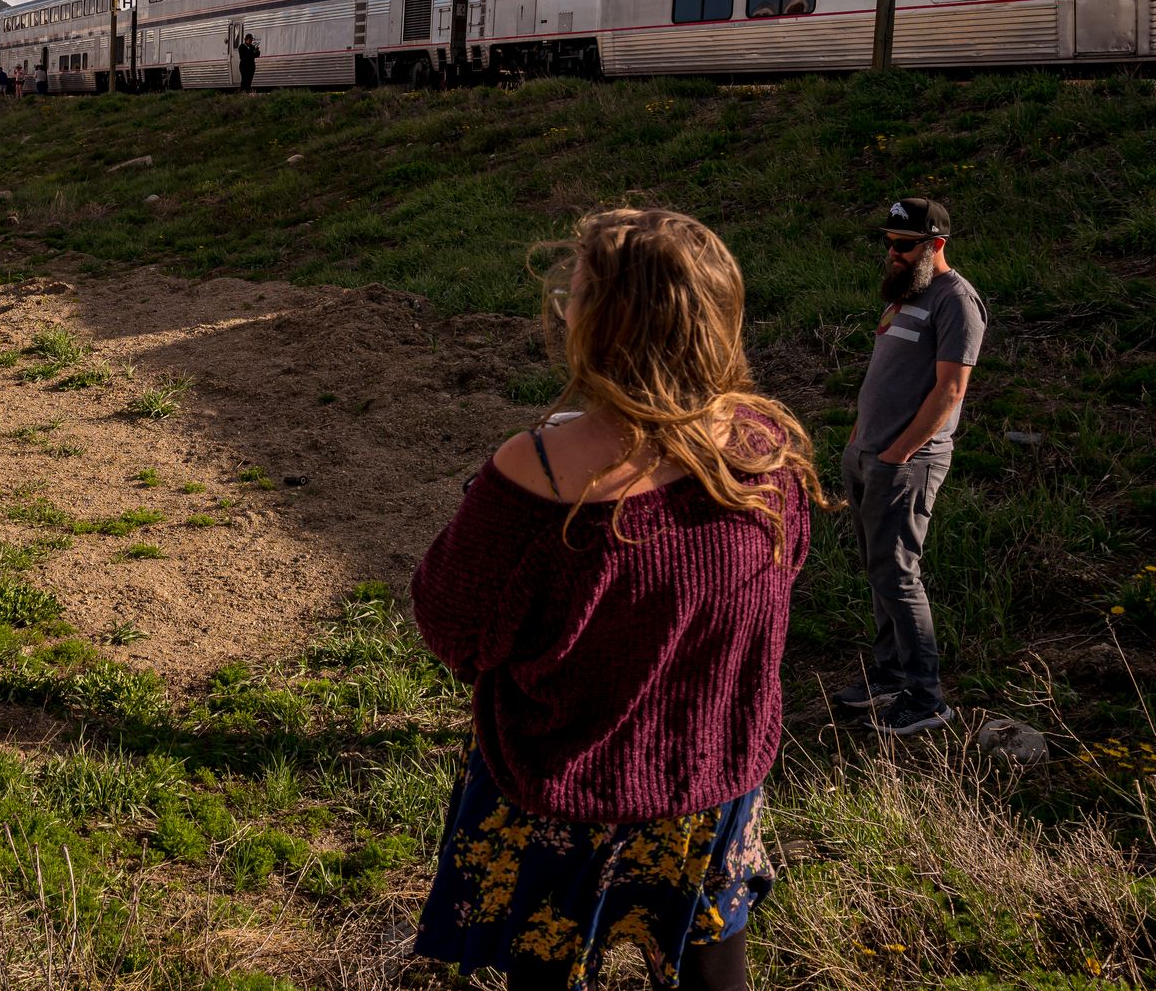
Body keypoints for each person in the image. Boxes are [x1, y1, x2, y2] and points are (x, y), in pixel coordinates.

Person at [412, 207, 823, 991]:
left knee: (546, 974)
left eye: (576, 293)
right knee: (716, 977)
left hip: (560, 788)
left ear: (598, 324)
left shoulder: (535, 471)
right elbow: (784, 571)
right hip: (714, 776)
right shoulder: (770, 450)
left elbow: (451, 622)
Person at [834, 198, 987, 736]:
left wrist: (897, 454)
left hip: (907, 461)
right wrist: (858, 441)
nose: (893, 253)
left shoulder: (957, 301)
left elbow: (951, 389)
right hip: (868, 453)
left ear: (936, 245)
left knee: (898, 575)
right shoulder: (906, 294)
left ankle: (926, 697)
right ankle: (889, 674)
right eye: (889, 242)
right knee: (879, 572)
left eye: (904, 245)